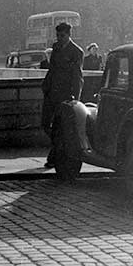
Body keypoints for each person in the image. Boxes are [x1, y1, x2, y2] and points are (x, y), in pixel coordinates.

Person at [41, 22, 84, 169]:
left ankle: (54, 155)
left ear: (69, 35)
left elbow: (77, 76)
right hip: (51, 91)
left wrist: (76, 98)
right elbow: (52, 69)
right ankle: (56, 152)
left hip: (64, 94)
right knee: (45, 124)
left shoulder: (76, 52)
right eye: (58, 35)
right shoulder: (56, 48)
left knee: (59, 126)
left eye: (62, 36)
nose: (60, 38)